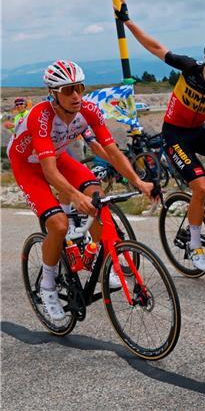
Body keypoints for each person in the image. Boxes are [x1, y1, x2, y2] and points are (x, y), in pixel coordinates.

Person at [8, 60, 156, 321]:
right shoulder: (41, 117)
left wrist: (138, 181)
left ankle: (99, 260)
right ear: (53, 94)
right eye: (68, 90)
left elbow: (111, 150)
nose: (76, 95)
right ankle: (48, 287)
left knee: (96, 196)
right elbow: (50, 173)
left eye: (79, 87)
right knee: (58, 225)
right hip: (28, 165)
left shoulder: (88, 109)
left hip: (57, 156)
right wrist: (75, 196)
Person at [115, 0, 205, 271]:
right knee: (200, 187)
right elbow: (156, 48)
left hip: (199, 132)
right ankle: (194, 242)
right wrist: (127, 21)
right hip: (175, 135)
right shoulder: (190, 68)